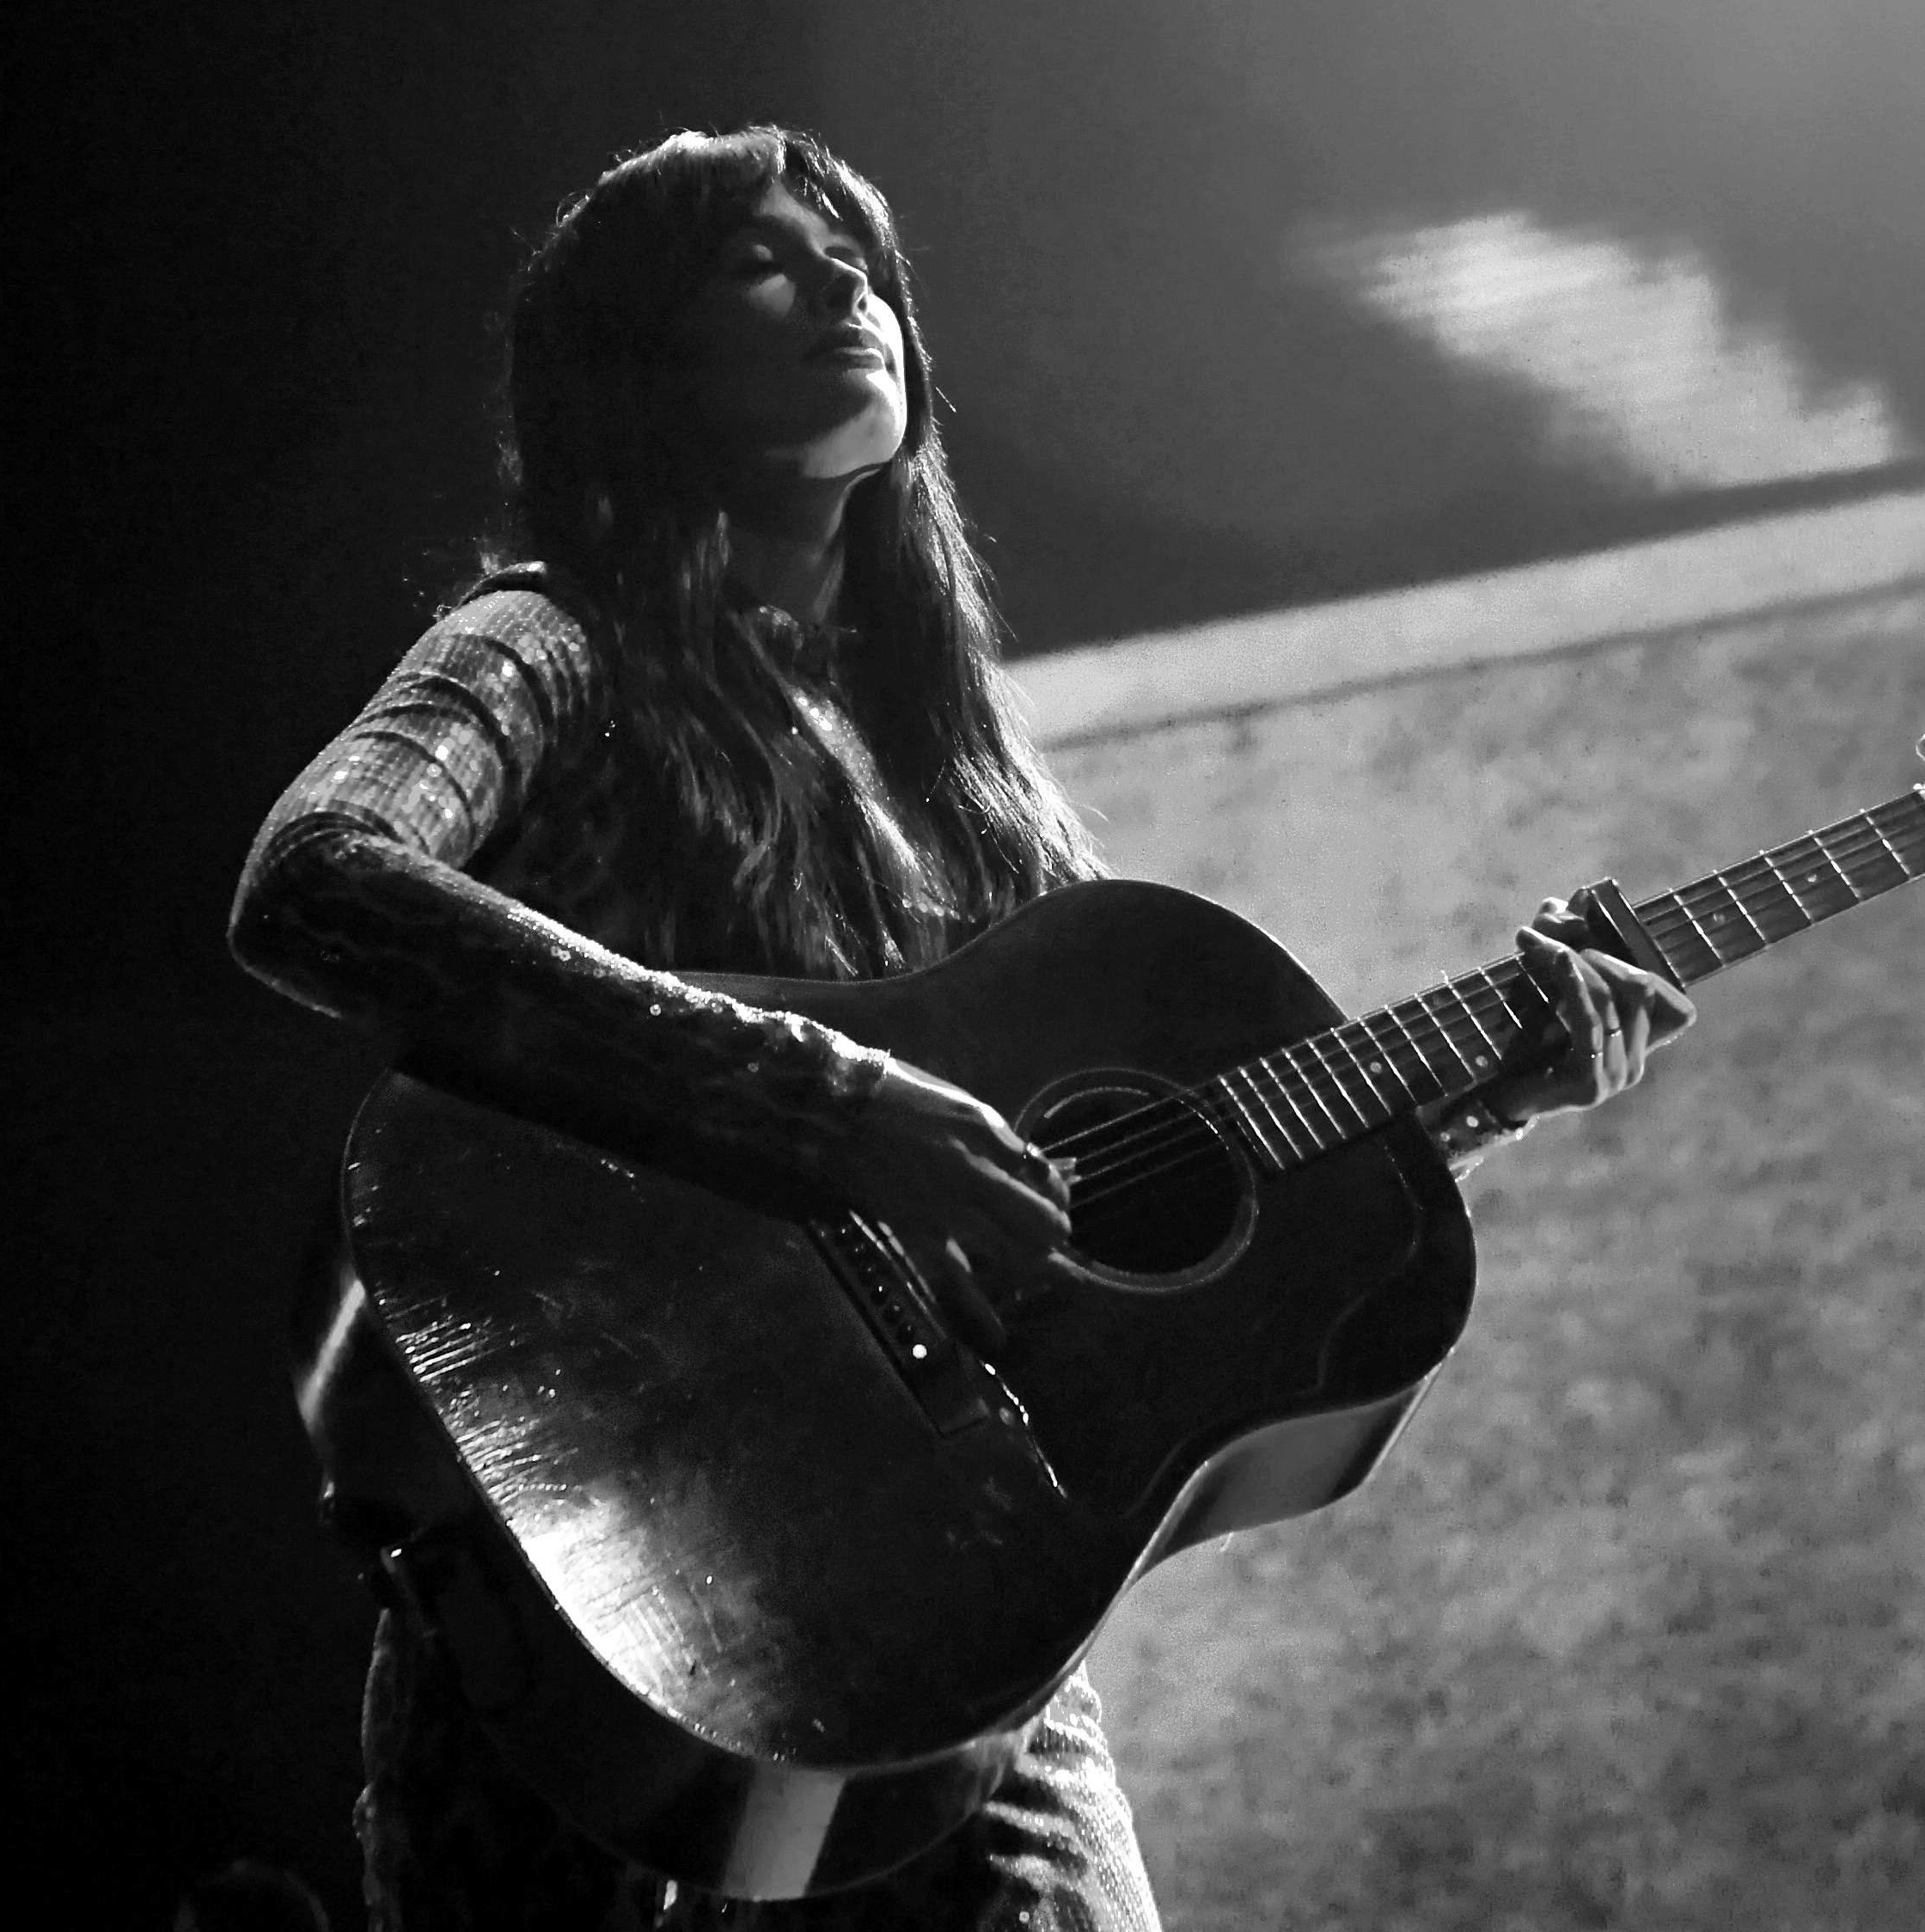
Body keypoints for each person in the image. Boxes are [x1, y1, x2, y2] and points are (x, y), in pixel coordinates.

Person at [229, 126, 1694, 1931]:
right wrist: (816, 1101)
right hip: (590, 1577)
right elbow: (316, 875)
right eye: (763, 261)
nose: (845, 281)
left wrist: (1486, 1094)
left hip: (957, 1665)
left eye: (856, 252)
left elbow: (1143, 1182)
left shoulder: (974, 784)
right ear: (633, 361)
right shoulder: (550, 646)